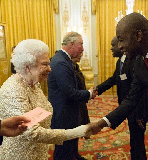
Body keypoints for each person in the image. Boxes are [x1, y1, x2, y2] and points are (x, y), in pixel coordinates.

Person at [86, 12, 148, 160]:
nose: (119, 46)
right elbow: (131, 99)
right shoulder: (140, 65)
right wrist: (101, 123)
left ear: (138, 36)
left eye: (121, 40)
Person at [0, 39, 90, 160]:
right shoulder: (12, 91)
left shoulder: (34, 84)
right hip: (19, 154)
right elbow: (31, 132)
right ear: (27, 67)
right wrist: (74, 132)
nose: (50, 69)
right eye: (45, 64)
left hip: (37, 151)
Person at [95, 36, 148, 160]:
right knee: (135, 140)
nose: (111, 48)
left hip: (139, 110)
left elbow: (141, 90)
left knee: (137, 142)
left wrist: (139, 115)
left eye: (113, 45)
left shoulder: (134, 60)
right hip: (129, 108)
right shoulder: (121, 61)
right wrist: (97, 89)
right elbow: (114, 79)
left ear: (121, 45)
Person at [47, 31, 97, 160]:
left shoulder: (65, 60)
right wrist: (89, 94)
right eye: (81, 44)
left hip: (69, 112)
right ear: (71, 43)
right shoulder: (60, 63)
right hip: (63, 114)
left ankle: (75, 156)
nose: (83, 48)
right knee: (63, 148)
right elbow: (69, 92)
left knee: (71, 144)